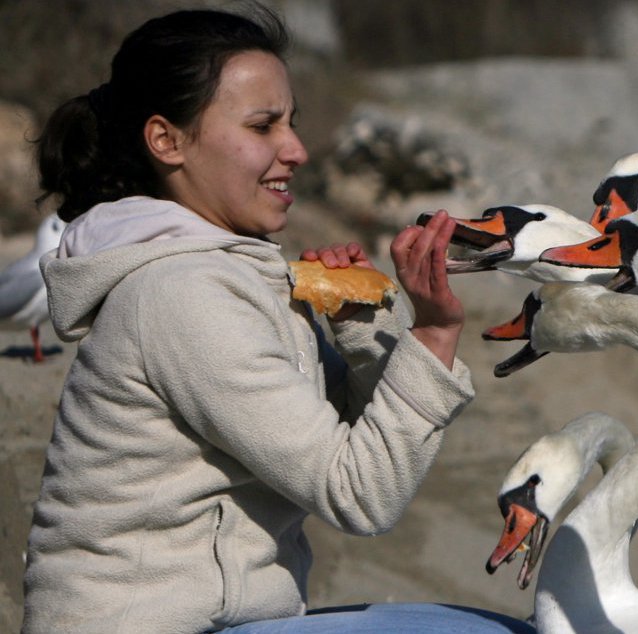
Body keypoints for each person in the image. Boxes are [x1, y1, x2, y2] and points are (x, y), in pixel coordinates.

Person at [22, 5, 531, 633]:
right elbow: (360, 492)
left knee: (475, 625)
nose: (296, 150)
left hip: (223, 622)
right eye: (263, 126)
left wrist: (363, 328)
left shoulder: (229, 273)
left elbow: (345, 436)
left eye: (292, 123)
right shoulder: (181, 295)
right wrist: (431, 335)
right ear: (167, 141)